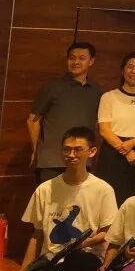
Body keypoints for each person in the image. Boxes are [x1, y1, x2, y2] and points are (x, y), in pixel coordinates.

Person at [19, 126, 118, 271]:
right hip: (52, 260)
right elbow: (37, 235)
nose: (71, 155)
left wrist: (86, 244)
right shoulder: (45, 189)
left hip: (86, 259)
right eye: (67, 149)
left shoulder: (103, 189)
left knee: (78, 261)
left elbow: (108, 233)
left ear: (92, 151)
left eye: (78, 149)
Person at [28, 42, 103, 184]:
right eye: (72, 58)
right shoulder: (52, 87)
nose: (76, 62)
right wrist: (36, 150)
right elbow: (33, 120)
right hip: (51, 161)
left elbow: (98, 125)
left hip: (82, 161)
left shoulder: (97, 91)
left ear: (91, 61)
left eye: (81, 58)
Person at [96, 52, 135, 205]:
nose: (134, 71)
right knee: (109, 198)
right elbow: (104, 130)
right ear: (122, 70)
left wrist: (133, 143)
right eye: (130, 67)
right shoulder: (108, 97)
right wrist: (126, 150)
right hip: (113, 151)